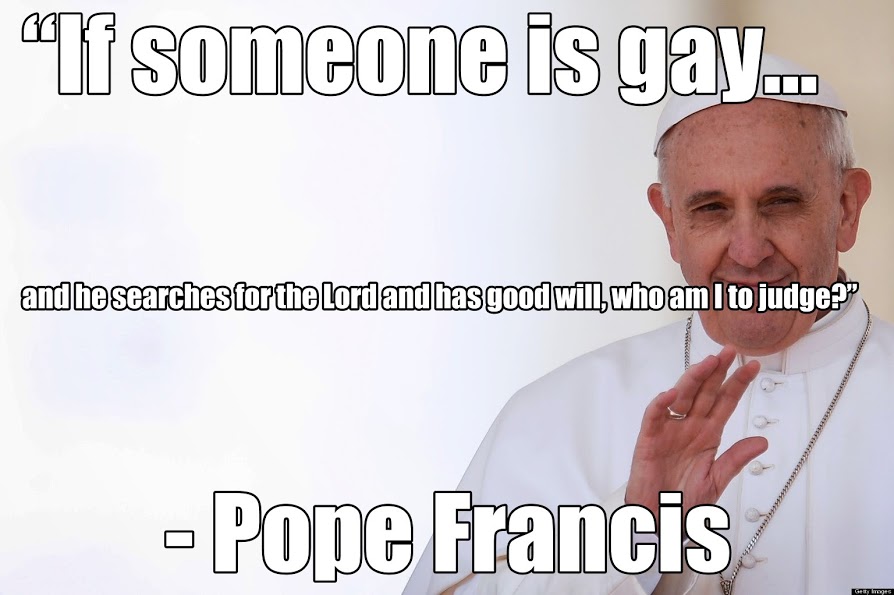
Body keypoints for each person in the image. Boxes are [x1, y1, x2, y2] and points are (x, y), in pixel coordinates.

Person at [402, 54, 894, 595]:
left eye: (780, 203)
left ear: (846, 208)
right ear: (670, 224)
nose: (748, 251)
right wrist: (634, 536)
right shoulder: (556, 413)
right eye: (711, 209)